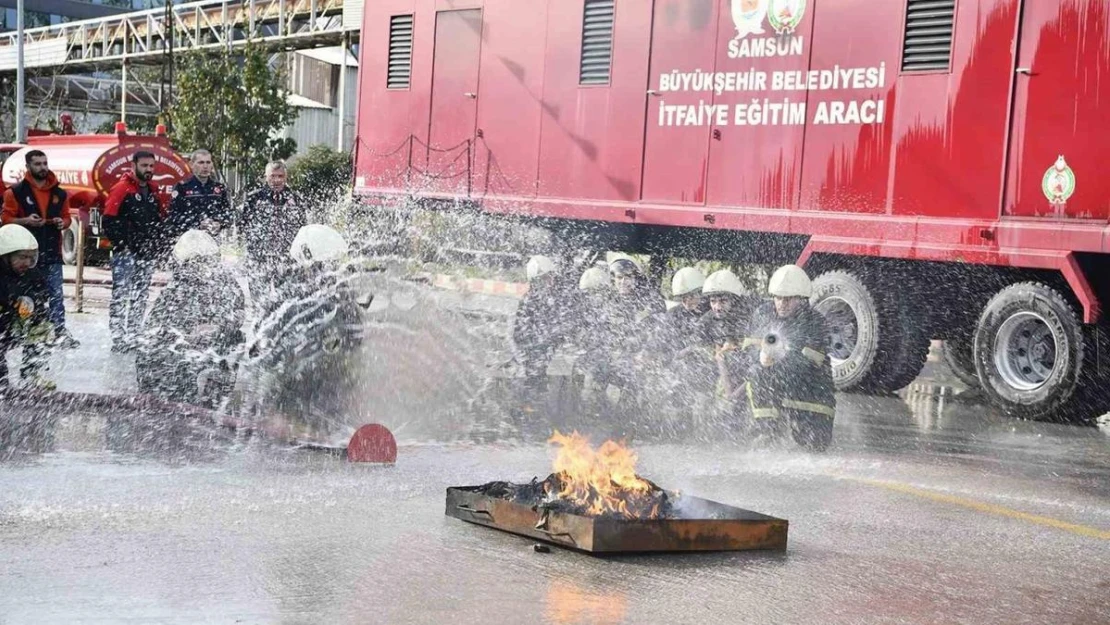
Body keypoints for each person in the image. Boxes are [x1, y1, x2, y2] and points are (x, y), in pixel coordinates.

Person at [135, 229, 246, 407]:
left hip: (168, 369)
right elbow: (237, 315)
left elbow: (151, 331)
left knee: (231, 338)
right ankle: (212, 402)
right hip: (179, 365)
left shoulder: (176, 287)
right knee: (235, 338)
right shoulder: (222, 283)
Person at [745, 264, 836, 451]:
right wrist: (759, 356)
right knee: (755, 371)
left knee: (813, 446)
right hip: (781, 389)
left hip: (811, 397)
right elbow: (748, 347)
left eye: (788, 299)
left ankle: (798, 428)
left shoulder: (815, 322)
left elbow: (806, 363)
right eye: (778, 298)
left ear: (801, 299)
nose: (782, 304)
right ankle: (767, 430)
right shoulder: (763, 314)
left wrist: (779, 357)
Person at [1, 150, 79, 349]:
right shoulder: (15, 192)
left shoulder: (59, 193)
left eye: (45, 163)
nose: (43, 167)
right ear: (28, 167)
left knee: (55, 294)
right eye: (37, 164)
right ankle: (17, 331)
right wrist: (25, 221)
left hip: (51, 251)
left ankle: (58, 331)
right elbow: (6, 220)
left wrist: (64, 222)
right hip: (22, 252)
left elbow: (67, 216)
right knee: (20, 296)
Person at [103, 150, 169, 352]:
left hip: (146, 253)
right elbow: (108, 219)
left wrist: (158, 246)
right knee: (121, 295)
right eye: (144, 166)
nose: (149, 170)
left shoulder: (153, 191)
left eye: (151, 166)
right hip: (126, 254)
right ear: (134, 166)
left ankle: (133, 333)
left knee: (140, 295)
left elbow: (159, 221)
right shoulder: (122, 189)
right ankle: (118, 336)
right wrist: (123, 244)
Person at [0, 224, 56, 390]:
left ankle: (31, 372)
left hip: (13, 324)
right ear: (5, 256)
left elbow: (41, 297)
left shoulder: (31, 274)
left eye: (31, 258)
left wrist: (35, 311)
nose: (27, 262)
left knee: (43, 327)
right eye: (22, 257)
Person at [694, 269, 760, 400]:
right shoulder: (706, 321)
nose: (717, 307)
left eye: (723, 301)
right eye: (713, 301)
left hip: (752, 367)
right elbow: (699, 344)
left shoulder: (752, 315)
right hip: (725, 371)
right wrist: (716, 350)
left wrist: (737, 345)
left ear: (734, 300)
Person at [239, 160, 306, 273]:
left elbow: (303, 227)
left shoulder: (295, 199)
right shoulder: (254, 198)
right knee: (258, 289)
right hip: (259, 256)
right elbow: (243, 225)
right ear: (266, 177)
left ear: (286, 177)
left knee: (288, 290)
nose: (277, 180)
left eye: (280, 176)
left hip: (287, 256)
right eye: (272, 176)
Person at [167, 149, 232, 240]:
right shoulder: (182, 187)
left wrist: (220, 223)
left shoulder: (219, 188)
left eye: (208, 162)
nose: (205, 166)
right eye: (201, 162)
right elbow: (174, 217)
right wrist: (197, 223)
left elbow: (228, 214)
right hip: (189, 241)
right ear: (191, 165)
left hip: (213, 241)